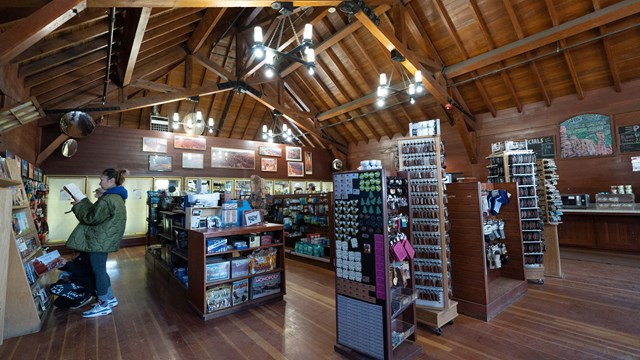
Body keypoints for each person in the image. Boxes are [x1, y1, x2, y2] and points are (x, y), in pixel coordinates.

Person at [65, 168, 128, 318]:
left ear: (111, 181)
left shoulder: (108, 199)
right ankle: (109, 298)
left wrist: (79, 204)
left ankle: (103, 304)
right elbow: (96, 214)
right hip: (102, 239)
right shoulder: (116, 197)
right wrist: (84, 202)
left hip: (98, 240)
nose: (100, 182)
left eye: (102, 179)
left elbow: (90, 218)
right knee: (101, 270)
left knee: (98, 271)